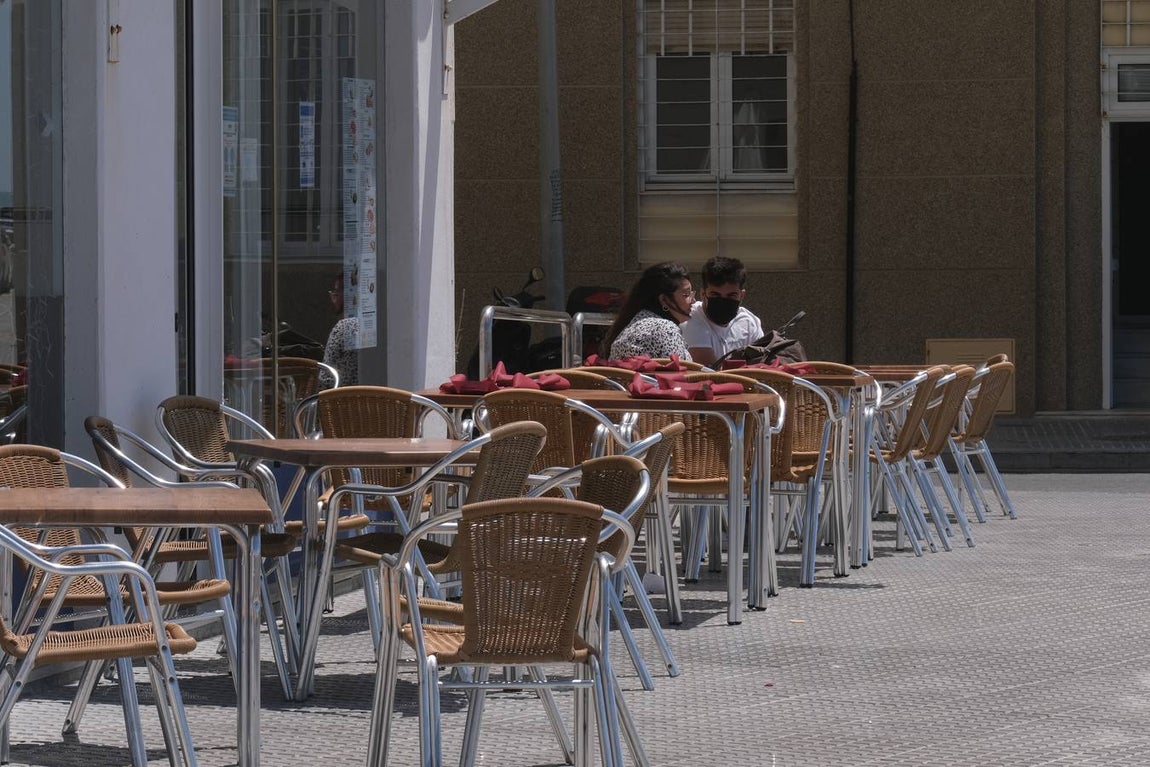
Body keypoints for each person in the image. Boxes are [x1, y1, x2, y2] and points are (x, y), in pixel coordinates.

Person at [601, 262, 694, 361]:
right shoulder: (664, 329)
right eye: (686, 294)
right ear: (664, 300)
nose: (693, 300)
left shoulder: (634, 323)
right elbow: (679, 373)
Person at [681, 256, 763, 366]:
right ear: (703, 294)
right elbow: (710, 372)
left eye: (731, 295)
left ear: (741, 295)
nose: (723, 301)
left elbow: (762, 365)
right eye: (715, 295)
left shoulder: (749, 322)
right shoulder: (690, 319)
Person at [322, 272, 359, 386]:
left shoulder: (343, 328)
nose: (333, 298)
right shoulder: (378, 326)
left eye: (336, 293)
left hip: (343, 400)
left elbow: (325, 378)